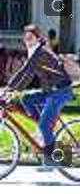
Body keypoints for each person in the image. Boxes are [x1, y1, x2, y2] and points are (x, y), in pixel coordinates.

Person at [0, 24, 74, 167]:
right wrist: (9, 88)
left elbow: (26, 73)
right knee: (27, 99)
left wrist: (10, 90)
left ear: (38, 38)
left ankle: (52, 159)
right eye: (26, 38)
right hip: (50, 92)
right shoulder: (34, 52)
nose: (27, 40)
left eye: (31, 37)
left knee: (44, 125)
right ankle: (43, 130)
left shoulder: (40, 53)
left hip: (60, 92)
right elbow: (24, 72)